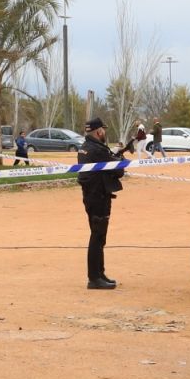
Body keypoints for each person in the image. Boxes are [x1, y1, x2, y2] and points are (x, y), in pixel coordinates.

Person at [77, 117, 126, 290]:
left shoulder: (85, 148)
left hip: (92, 196)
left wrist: (114, 156)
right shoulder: (98, 150)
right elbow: (118, 171)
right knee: (97, 236)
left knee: (99, 236)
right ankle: (94, 277)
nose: (104, 132)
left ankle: (100, 273)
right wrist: (119, 159)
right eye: (103, 130)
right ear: (99, 132)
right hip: (98, 197)